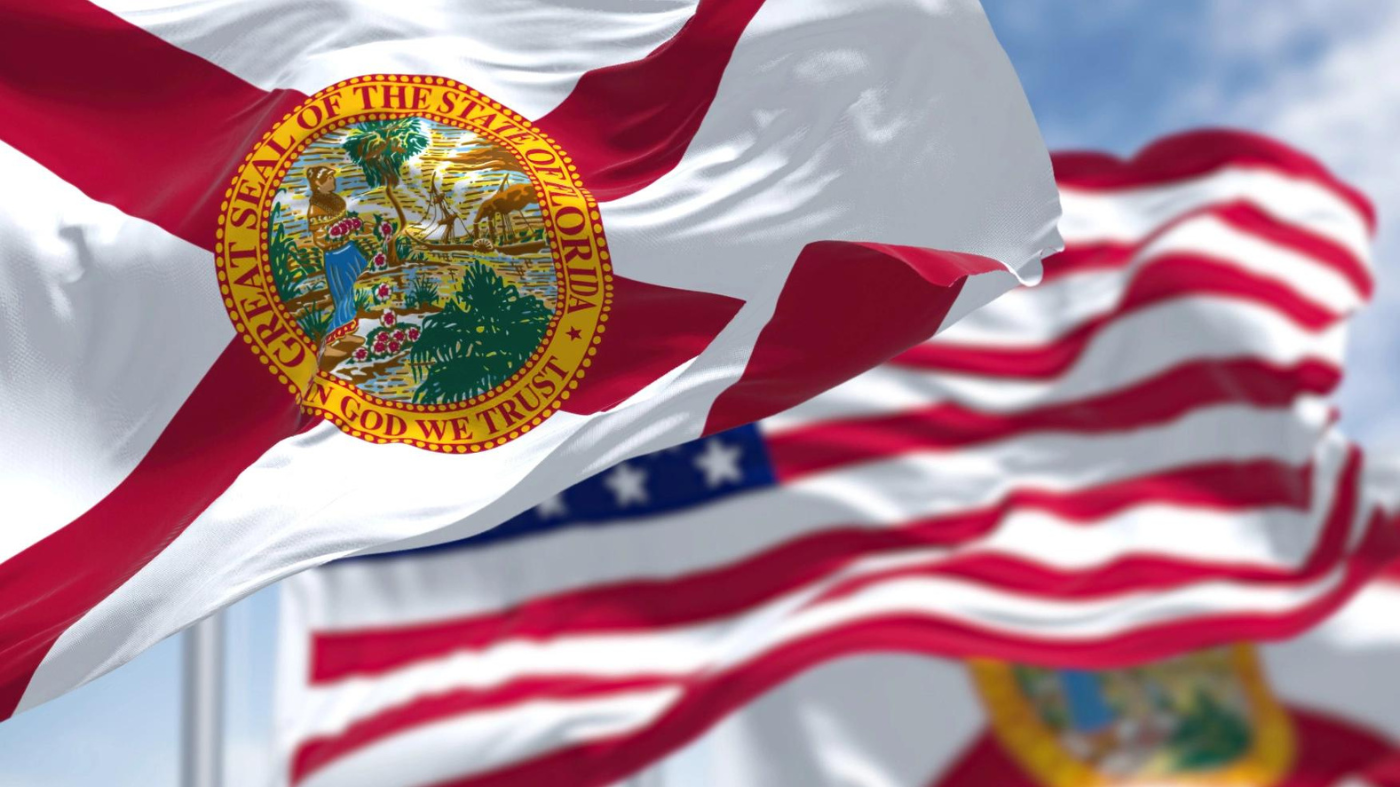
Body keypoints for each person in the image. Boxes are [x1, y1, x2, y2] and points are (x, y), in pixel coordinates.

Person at [306, 166, 368, 369]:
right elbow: (319, 237)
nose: (333, 180)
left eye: (333, 176)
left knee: (360, 283)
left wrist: (351, 226)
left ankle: (350, 332)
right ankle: (335, 339)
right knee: (343, 293)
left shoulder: (336, 200)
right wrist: (335, 235)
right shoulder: (316, 207)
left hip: (349, 248)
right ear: (318, 183)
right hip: (335, 254)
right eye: (329, 178)